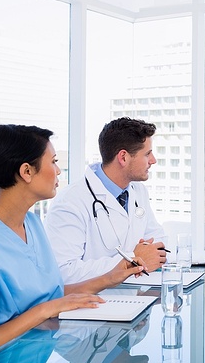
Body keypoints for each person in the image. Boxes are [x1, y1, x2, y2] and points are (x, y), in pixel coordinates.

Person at [0, 124, 147, 361]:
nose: (58, 171)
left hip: (35, 357)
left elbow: (52, 296)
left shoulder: (33, 224)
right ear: (26, 171)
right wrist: (45, 310)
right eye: (53, 162)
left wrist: (110, 277)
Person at [44, 117, 167, 284]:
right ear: (123, 157)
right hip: (94, 302)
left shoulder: (138, 191)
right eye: (147, 154)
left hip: (137, 295)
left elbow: (158, 239)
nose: (153, 160)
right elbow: (64, 271)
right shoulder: (69, 203)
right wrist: (133, 259)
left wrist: (145, 255)